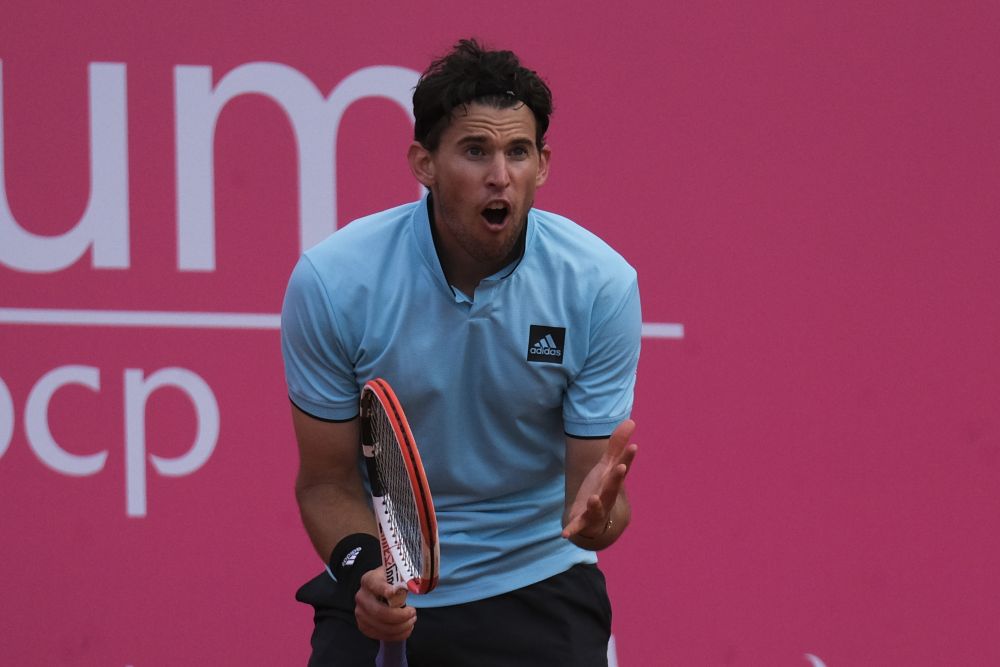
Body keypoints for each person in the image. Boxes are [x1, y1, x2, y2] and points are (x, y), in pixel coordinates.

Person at [281, 38, 641, 667]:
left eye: (518, 152)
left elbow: (593, 506)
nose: (500, 175)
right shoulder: (335, 282)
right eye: (476, 151)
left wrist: (598, 524)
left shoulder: (598, 284)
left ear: (544, 165)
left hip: (537, 577)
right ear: (424, 163)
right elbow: (326, 482)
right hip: (388, 577)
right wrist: (366, 570)